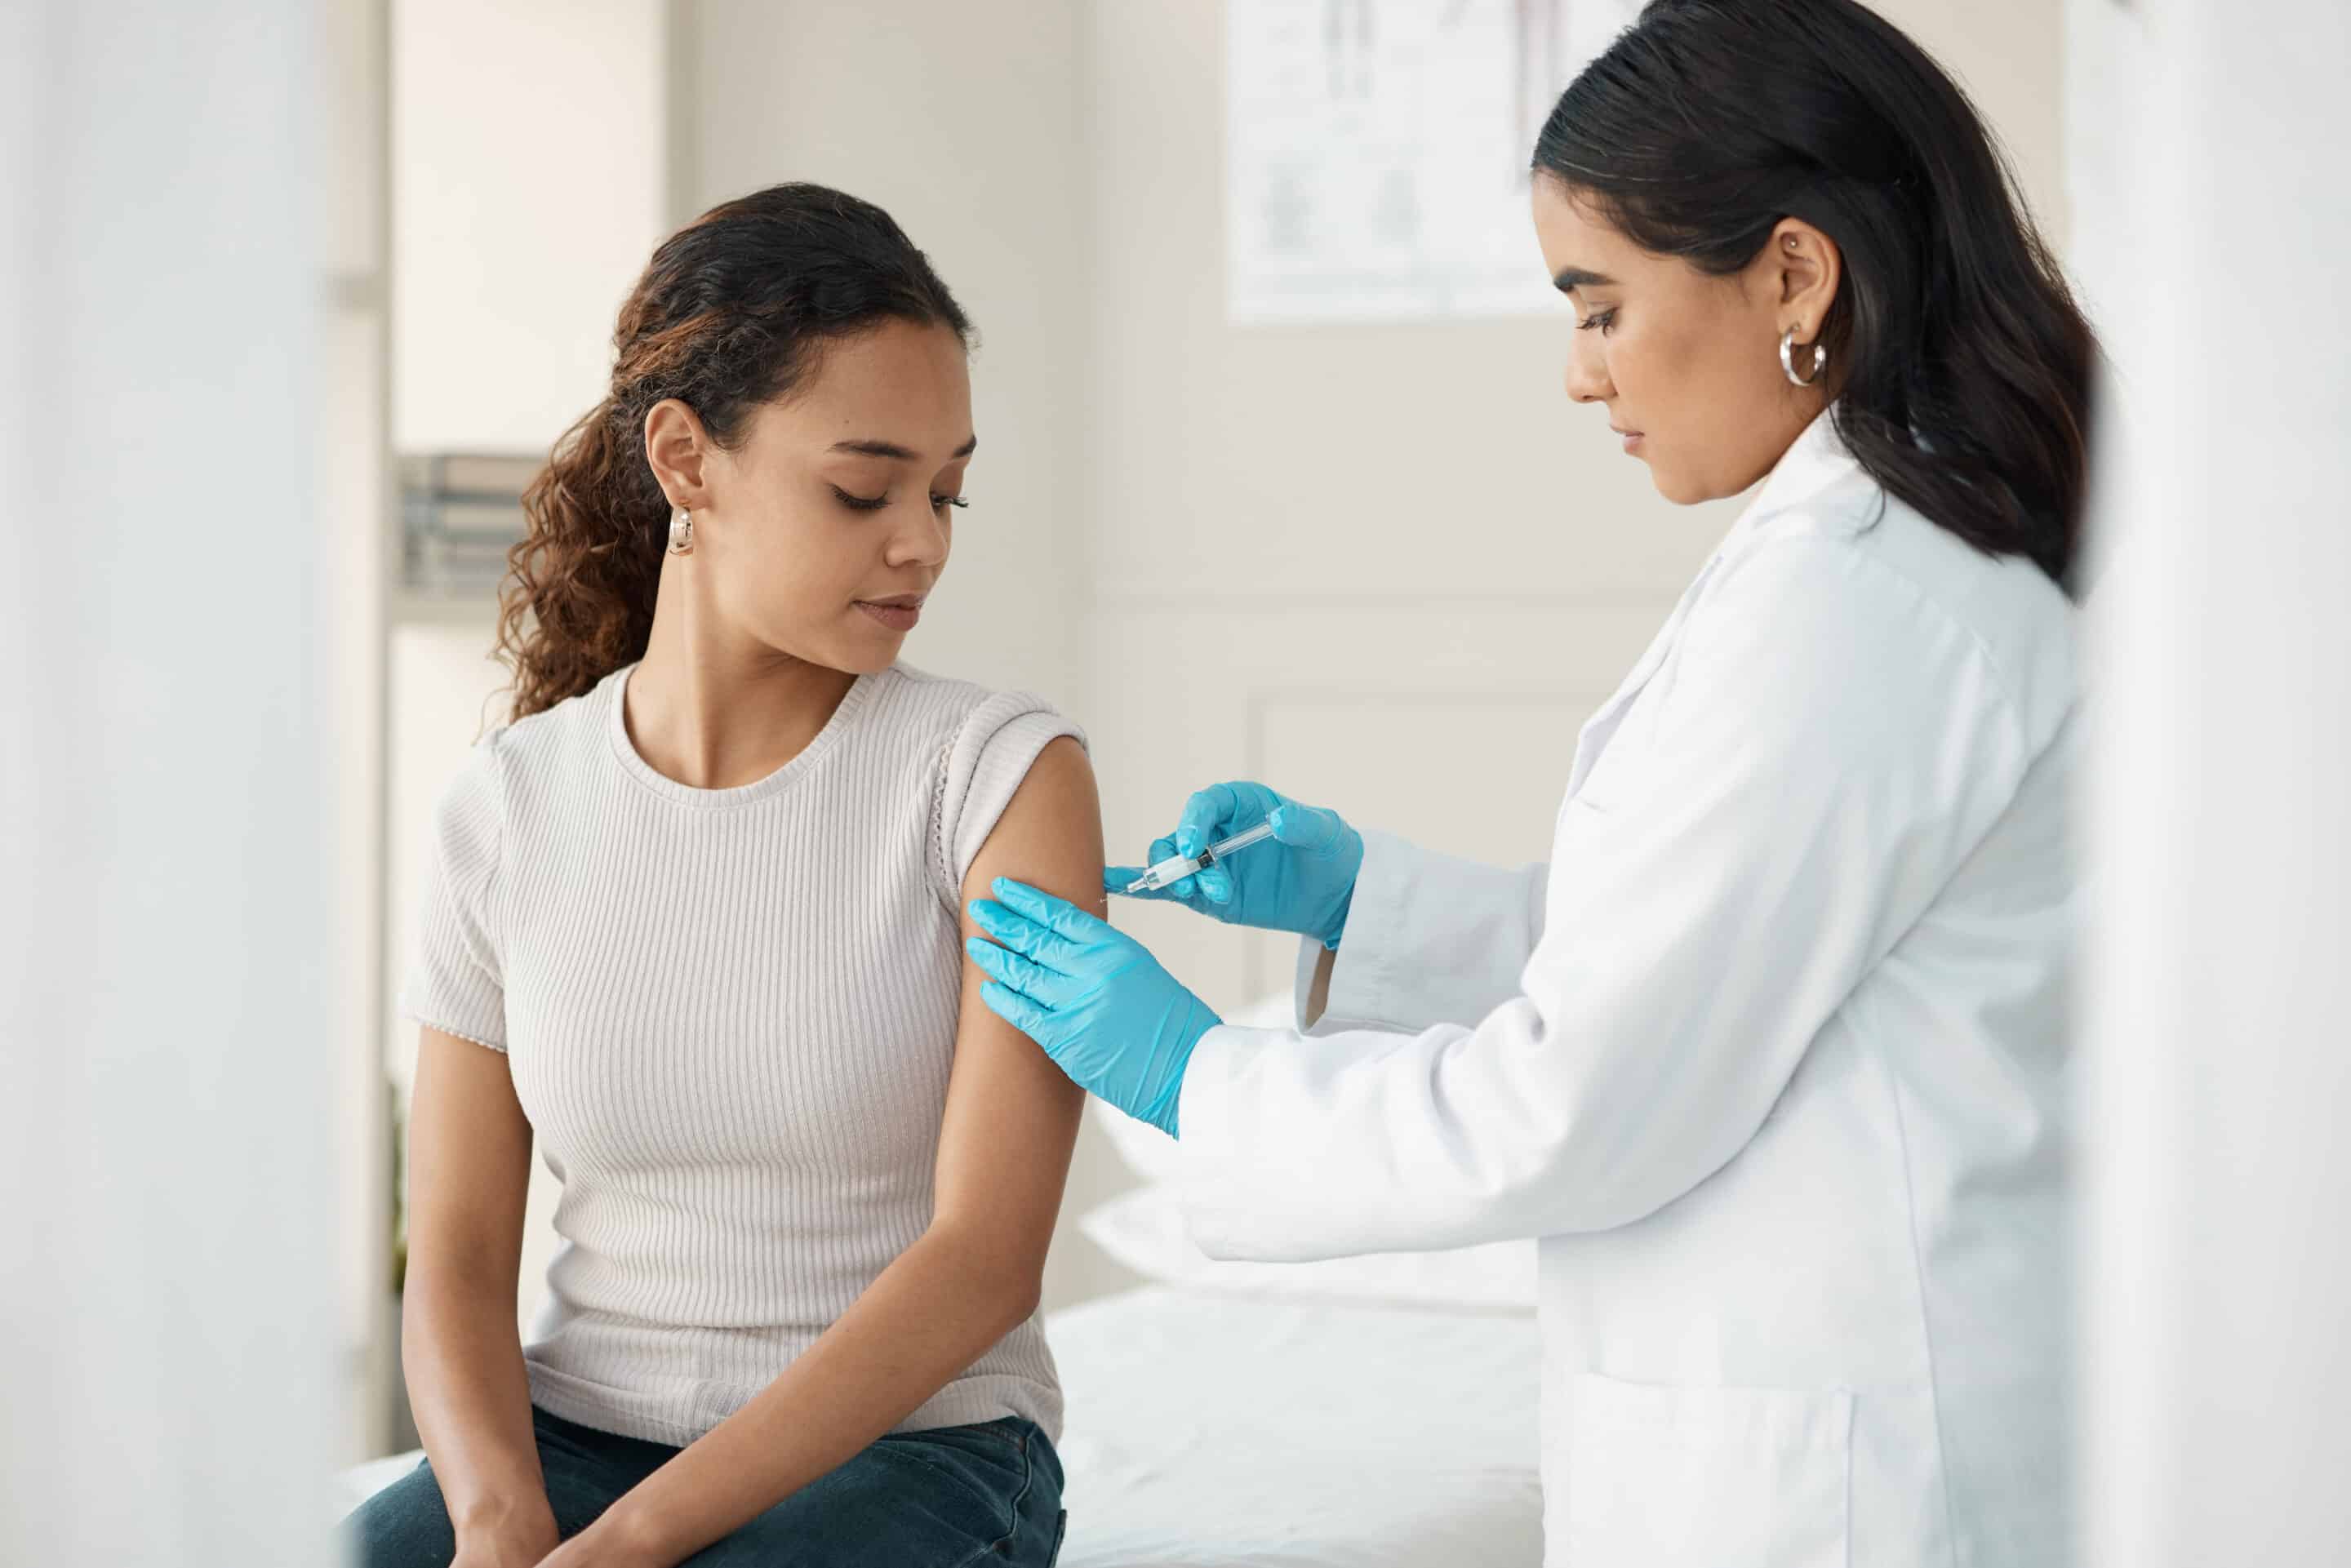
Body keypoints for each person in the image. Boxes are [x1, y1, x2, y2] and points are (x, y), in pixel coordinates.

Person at [966, 2, 2095, 1563]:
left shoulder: (1860, 600)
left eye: (1601, 306)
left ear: (1792, 271)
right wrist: (1373, 903)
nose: (1579, 374)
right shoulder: (1878, 561)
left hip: (1849, 1483)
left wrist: (1191, 1075)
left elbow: (1578, 1099)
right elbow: (1718, 961)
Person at [347, 183, 1094, 1567]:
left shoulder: (997, 777)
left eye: (946, 490)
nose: (922, 540)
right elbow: (452, 1245)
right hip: (579, 1434)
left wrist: (637, 1542)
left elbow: (987, 1254)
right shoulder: (508, 807)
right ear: (686, 461)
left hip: (914, 1453)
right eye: (864, 487)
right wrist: (501, 1518)